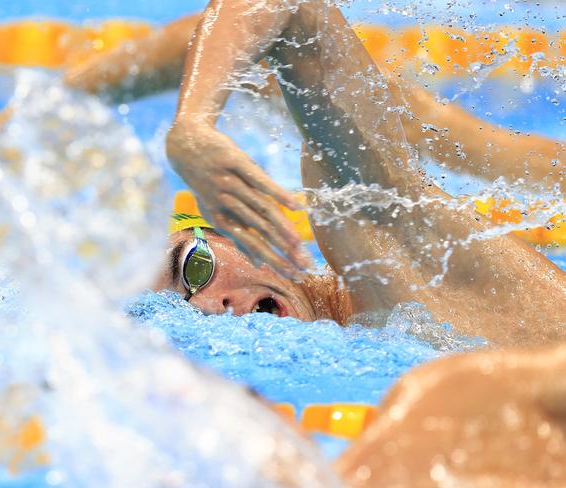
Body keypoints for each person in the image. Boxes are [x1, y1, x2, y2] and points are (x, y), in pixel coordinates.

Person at [68, 6, 565, 348]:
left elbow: (292, 10)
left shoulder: (373, 242)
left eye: (192, 268)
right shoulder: (365, 341)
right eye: (175, 319)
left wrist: (193, 124)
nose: (206, 307)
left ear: (237, 231)